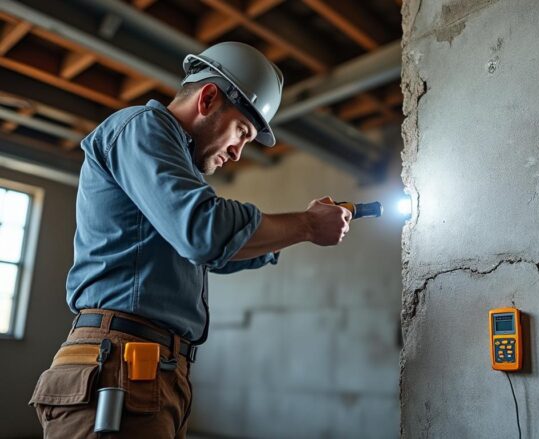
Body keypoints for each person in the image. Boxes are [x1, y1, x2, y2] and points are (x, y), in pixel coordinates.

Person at [28, 41, 351, 438]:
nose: (237, 153)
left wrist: (301, 230)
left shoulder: (176, 177)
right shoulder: (140, 128)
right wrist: (305, 225)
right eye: (241, 132)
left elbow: (214, 252)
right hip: (118, 367)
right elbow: (205, 234)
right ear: (209, 98)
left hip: (151, 372)